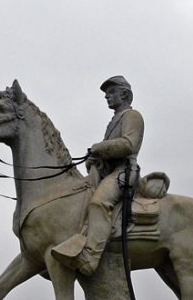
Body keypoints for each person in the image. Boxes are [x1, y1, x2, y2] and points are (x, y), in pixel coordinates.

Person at [51, 75, 144, 276]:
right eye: (106, 94)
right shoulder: (114, 121)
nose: (107, 97)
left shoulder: (132, 116)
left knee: (98, 203)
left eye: (111, 92)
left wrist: (99, 147)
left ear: (125, 94)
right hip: (111, 172)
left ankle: (91, 256)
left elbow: (129, 145)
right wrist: (95, 160)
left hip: (124, 172)